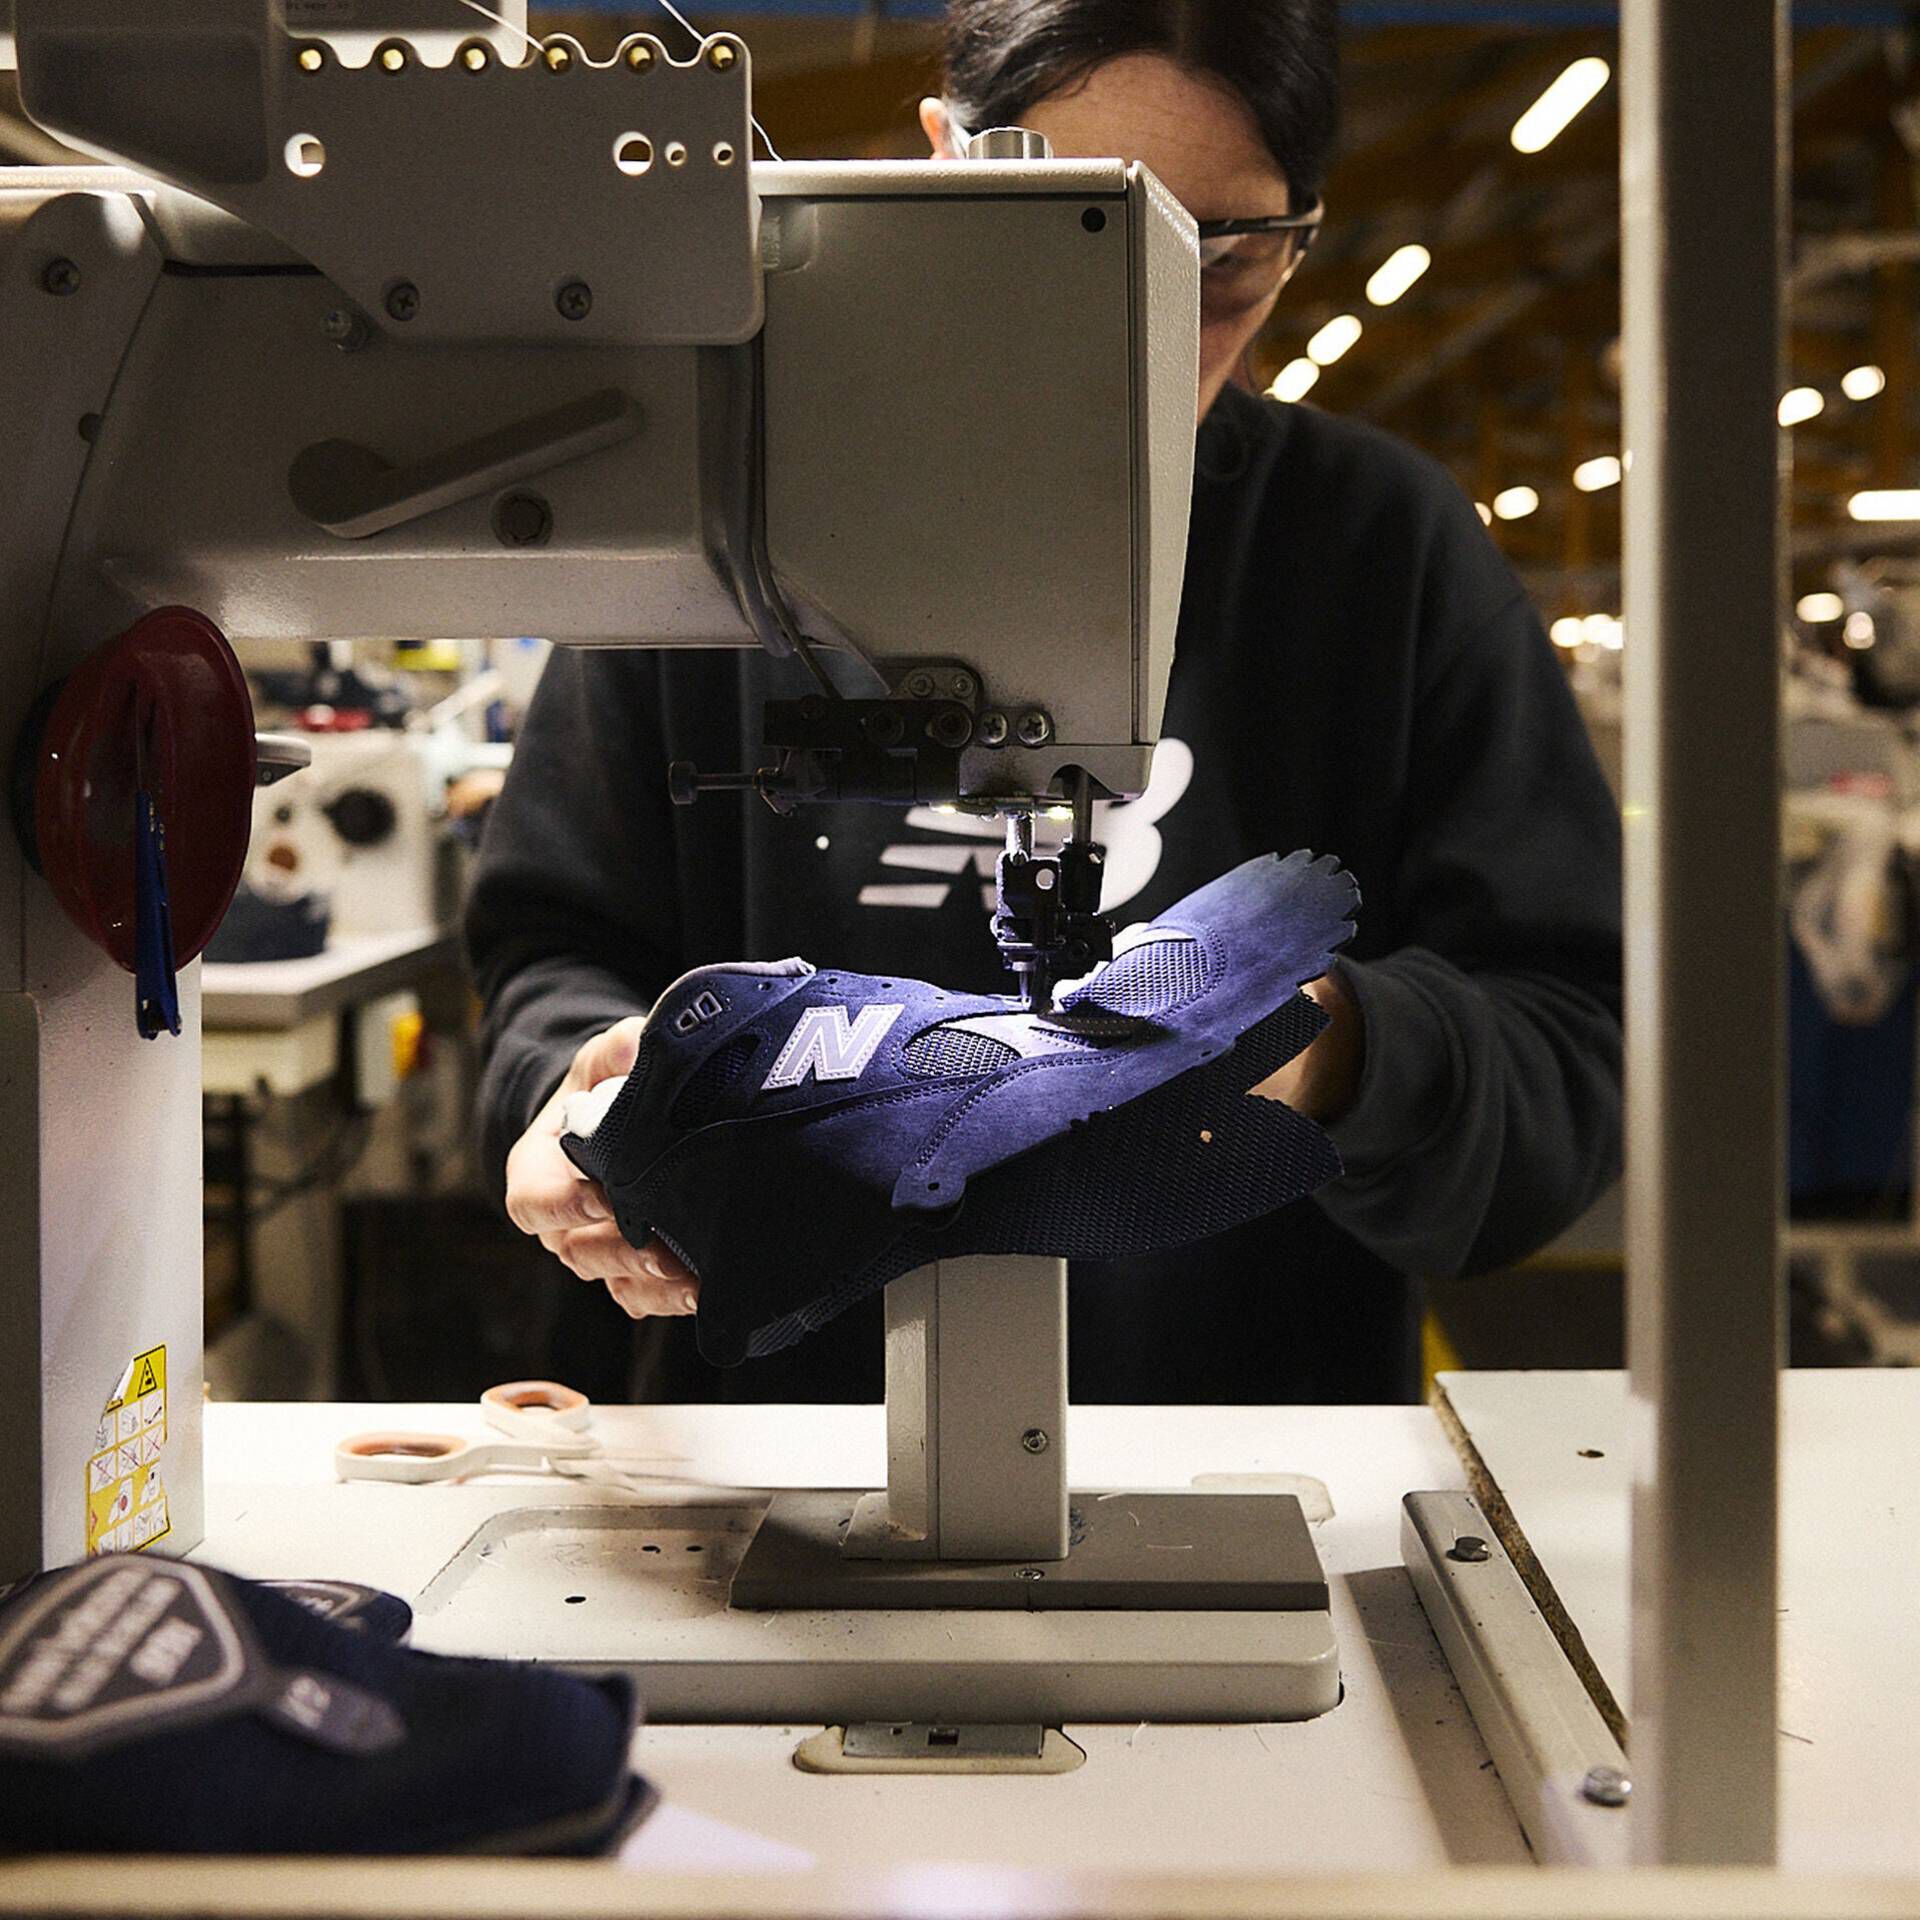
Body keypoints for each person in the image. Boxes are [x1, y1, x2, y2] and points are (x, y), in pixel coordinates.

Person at [466, 0, 1623, 1406]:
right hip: (767, 1460)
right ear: (942, 163)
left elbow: (1566, 1065)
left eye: (1225, 260)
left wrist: (1339, 1053)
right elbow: (552, 961)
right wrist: (582, 1104)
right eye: (1075, 234)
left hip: (1250, 1437)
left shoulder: (1387, 552)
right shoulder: (728, 533)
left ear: (1304, 231)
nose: (1140, 331)